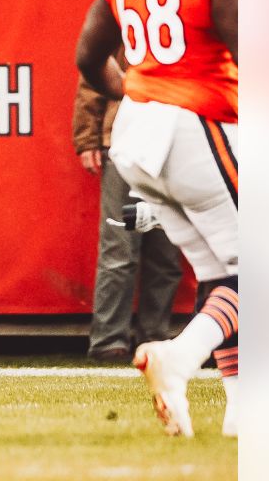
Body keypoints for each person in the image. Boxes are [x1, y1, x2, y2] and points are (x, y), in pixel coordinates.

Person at [75, 0, 238, 437]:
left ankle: (242, 409)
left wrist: (141, 92)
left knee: (224, 271)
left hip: (137, 129)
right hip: (196, 121)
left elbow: (88, 59)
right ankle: (180, 355)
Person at [73, 74, 183, 361]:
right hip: (125, 143)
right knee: (120, 249)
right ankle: (109, 341)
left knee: (166, 253)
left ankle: (155, 339)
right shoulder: (118, 26)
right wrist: (87, 139)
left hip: (175, 145)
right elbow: (93, 75)